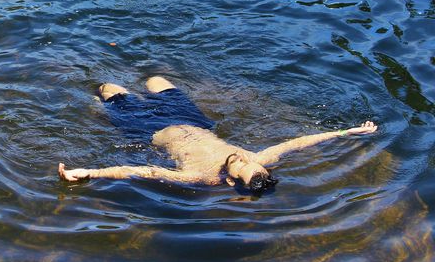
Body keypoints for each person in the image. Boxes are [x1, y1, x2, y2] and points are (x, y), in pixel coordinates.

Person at [58, 76, 378, 193]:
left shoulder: (199, 176)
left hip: (148, 129)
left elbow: (142, 170)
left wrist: (91, 172)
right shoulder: (257, 160)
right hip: (190, 119)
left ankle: (94, 97)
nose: (239, 156)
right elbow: (297, 143)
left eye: (237, 164)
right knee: (156, 79)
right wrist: (346, 131)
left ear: (228, 179)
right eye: (246, 159)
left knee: (108, 89)